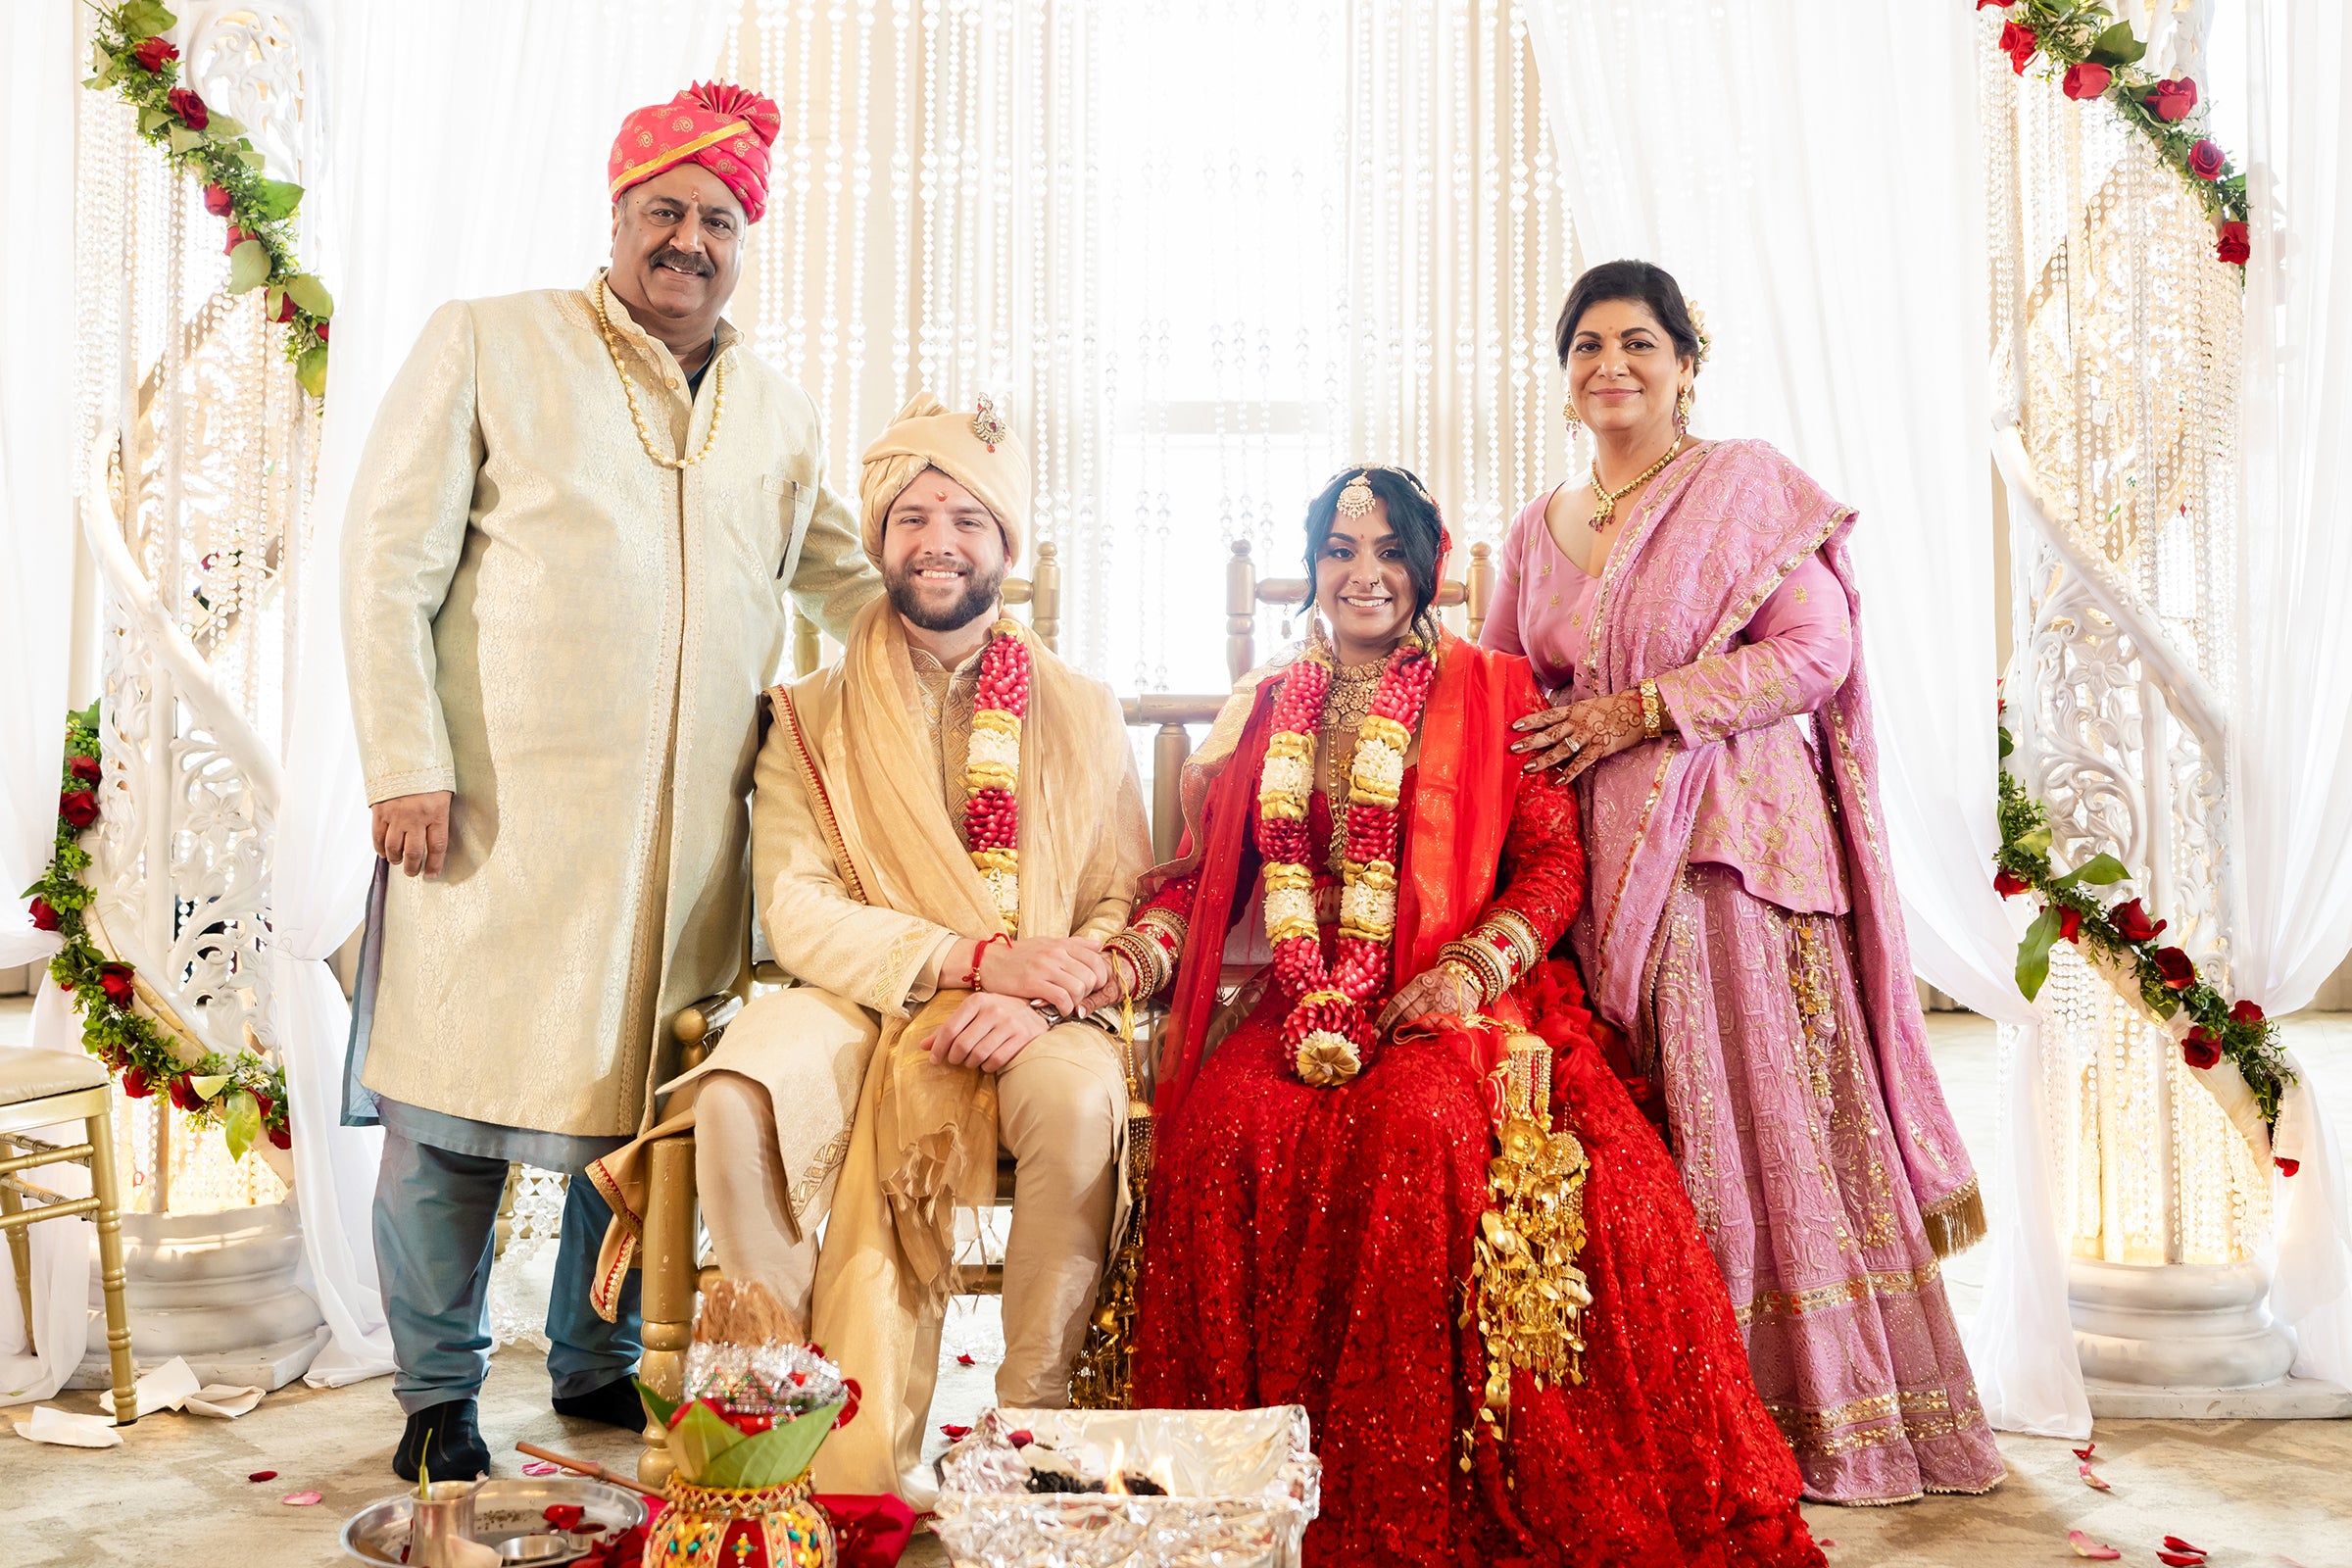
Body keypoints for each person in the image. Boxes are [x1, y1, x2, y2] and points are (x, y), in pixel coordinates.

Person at [1110, 466, 1825, 1567]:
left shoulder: (1497, 689)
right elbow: (1211, 873)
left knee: (1421, 1135)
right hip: (1307, 991)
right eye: (1342, 550)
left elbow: (1551, 863)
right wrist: (1130, 954)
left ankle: (1400, 1489)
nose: (1365, 574)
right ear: (1316, 568)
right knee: (1221, 1131)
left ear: (1427, 569)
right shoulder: (1266, 703)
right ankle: (1239, 1475)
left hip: (1460, 991)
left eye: (1390, 551)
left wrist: (1470, 971)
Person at [340, 81, 880, 1482]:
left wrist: (975, 625)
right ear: (618, 216)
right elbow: (384, 562)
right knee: (446, 1124)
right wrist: (407, 762)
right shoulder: (491, 343)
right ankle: (435, 1397)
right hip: (494, 828)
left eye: (716, 220)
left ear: (744, 247)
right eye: (665, 212)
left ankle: (592, 1362)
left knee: (632, 1123)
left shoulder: (775, 409)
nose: (689, 241)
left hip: (692, 841)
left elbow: (843, 583)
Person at [1482, 259, 2005, 1505]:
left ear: (1685, 361)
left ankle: (1808, 1413)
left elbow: (1815, 651)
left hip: (1734, 849)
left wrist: (1644, 710)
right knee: (1650, 1131)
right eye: (1588, 345)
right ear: (1564, 376)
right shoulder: (1533, 527)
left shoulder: (1746, 486)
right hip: (1597, 867)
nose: (1612, 364)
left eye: (1639, 342)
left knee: (1750, 1117)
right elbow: (1501, 684)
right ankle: (1675, 1406)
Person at [587, 392, 1152, 1505]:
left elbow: (1122, 900)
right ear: (880, 539)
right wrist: (966, 960)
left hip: (1039, 1000)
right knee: (742, 1087)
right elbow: (795, 909)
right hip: (860, 992)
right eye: (913, 516)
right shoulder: (808, 712)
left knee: (1080, 1104)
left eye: (969, 521)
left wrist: (1041, 994)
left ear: (1007, 547)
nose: (939, 542)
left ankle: (1026, 1431)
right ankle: (784, 1411)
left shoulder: (1081, 709)